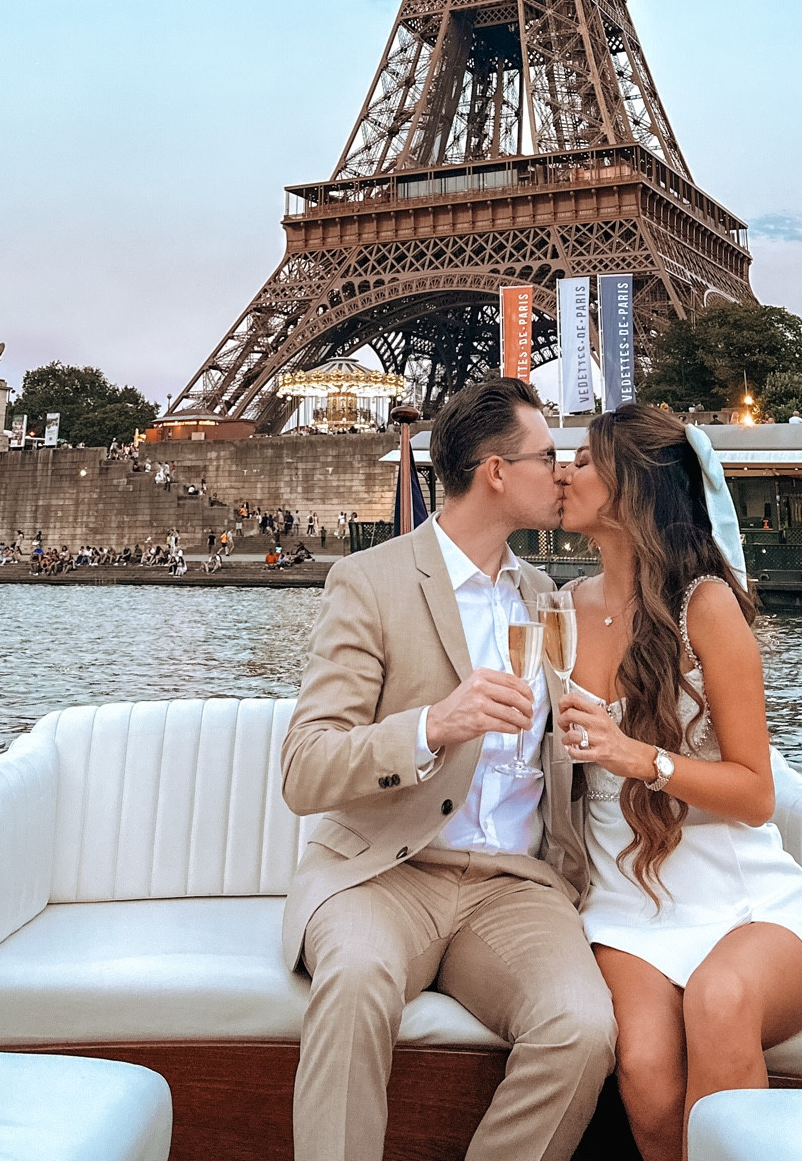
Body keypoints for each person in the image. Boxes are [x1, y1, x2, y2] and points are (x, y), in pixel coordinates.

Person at [280, 375, 614, 1161]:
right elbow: (305, 768)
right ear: (496, 472)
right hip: (385, 872)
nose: (562, 473)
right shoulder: (369, 582)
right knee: (355, 982)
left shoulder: (546, 600)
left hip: (511, 885)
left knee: (583, 1027)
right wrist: (433, 725)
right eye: (547, 457)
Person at [555, 405, 802, 1161]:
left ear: (632, 491)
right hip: (626, 903)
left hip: (741, 896)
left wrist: (641, 758)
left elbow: (756, 792)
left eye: (584, 462)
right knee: (649, 1080)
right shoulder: (557, 609)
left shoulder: (707, 607)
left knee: (721, 1002)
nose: (564, 472)